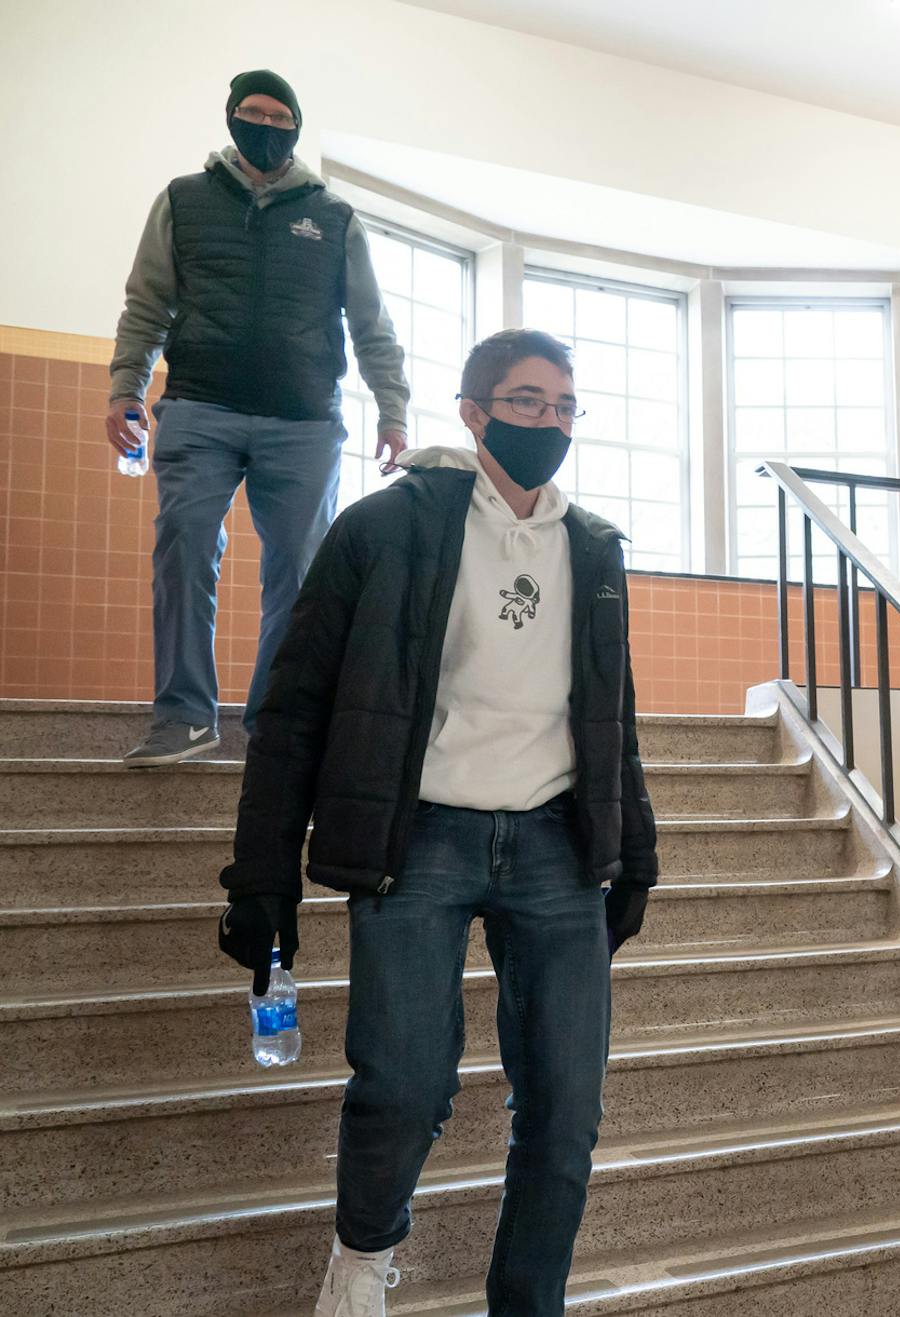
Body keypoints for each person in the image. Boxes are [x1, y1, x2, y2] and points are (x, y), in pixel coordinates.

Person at [213, 329, 656, 1316]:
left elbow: (611, 715)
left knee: (566, 1110)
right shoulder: (385, 527)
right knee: (404, 1085)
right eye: (528, 400)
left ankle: (528, 1301)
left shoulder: (593, 549)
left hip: (553, 845)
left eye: (565, 406)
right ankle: (363, 1261)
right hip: (421, 841)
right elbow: (294, 710)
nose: (549, 421)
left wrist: (636, 854)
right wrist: (261, 875)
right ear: (474, 409)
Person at [108, 68, 411, 766]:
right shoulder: (183, 201)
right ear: (231, 118)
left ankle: (275, 720)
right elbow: (147, 303)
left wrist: (392, 409)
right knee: (183, 545)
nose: (268, 127)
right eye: (255, 114)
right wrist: (125, 385)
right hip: (199, 405)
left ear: (296, 129)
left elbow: (372, 323)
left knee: (300, 573)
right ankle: (184, 716)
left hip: (304, 422)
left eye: (282, 118)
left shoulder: (334, 218)